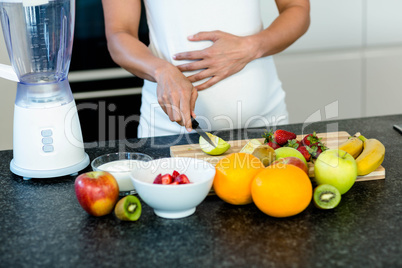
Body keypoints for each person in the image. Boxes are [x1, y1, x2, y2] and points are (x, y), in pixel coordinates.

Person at [102, 0, 310, 138]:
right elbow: (119, 33)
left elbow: (297, 9)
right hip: (167, 134)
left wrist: (250, 47)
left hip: (267, 123)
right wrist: (161, 71)